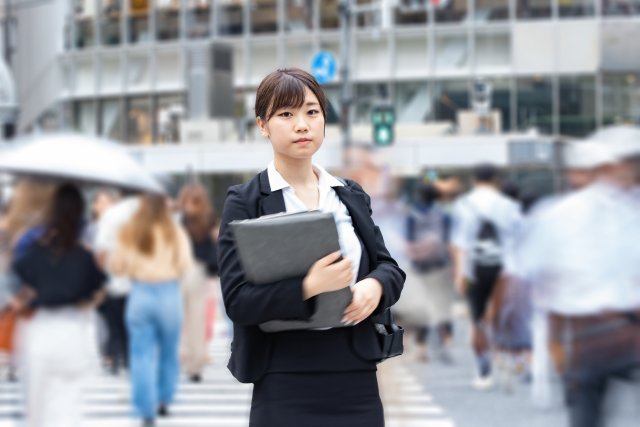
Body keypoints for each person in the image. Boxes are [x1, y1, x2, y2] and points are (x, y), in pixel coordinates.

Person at [217, 68, 405, 427]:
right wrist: (308, 287)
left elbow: (390, 267)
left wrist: (376, 285)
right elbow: (238, 300)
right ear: (262, 125)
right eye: (285, 114)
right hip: (283, 376)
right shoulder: (245, 202)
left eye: (311, 112)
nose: (301, 124)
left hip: (355, 374)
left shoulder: (349, 195)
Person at [512, 131, 640, 427]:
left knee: (585, 411)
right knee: (586, 410)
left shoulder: (556, 214)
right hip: (597, 333)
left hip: (592, 334)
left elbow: (527, 277)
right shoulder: (561, 214)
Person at [11, 183, 107, 427]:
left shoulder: (35, 250)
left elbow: (19, 282)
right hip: (72, 330)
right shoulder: (85, 256)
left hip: (41, 328)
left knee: (36, 410)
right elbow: (98, 293)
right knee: (68, 406)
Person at [106, 193, 193, 427]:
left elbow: (117, 266)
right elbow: (185, 263)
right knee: (168, 351)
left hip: (141, 293)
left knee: (140, 354)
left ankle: (145, 409)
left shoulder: (130, 232)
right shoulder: (175, 232)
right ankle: (164, 399)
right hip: (168, 293)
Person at [450, 163, 523, 389]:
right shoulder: (509, 205)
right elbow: (519, 239)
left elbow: (458, 244)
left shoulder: (463, 204)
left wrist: (459, 274)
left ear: (475, 180)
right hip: (506, 269)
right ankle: (507, 357)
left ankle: (484, 372)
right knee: (504, 316)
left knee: (477, 320)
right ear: (496, 180)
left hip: (474, 270)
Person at [177, 182, 219, 382]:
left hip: (189, 270)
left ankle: (191, 361)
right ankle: (194, 363)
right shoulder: (207, 219)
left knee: (190, 318)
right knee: (195, 318)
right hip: (194, 270)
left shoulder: (182, 220)